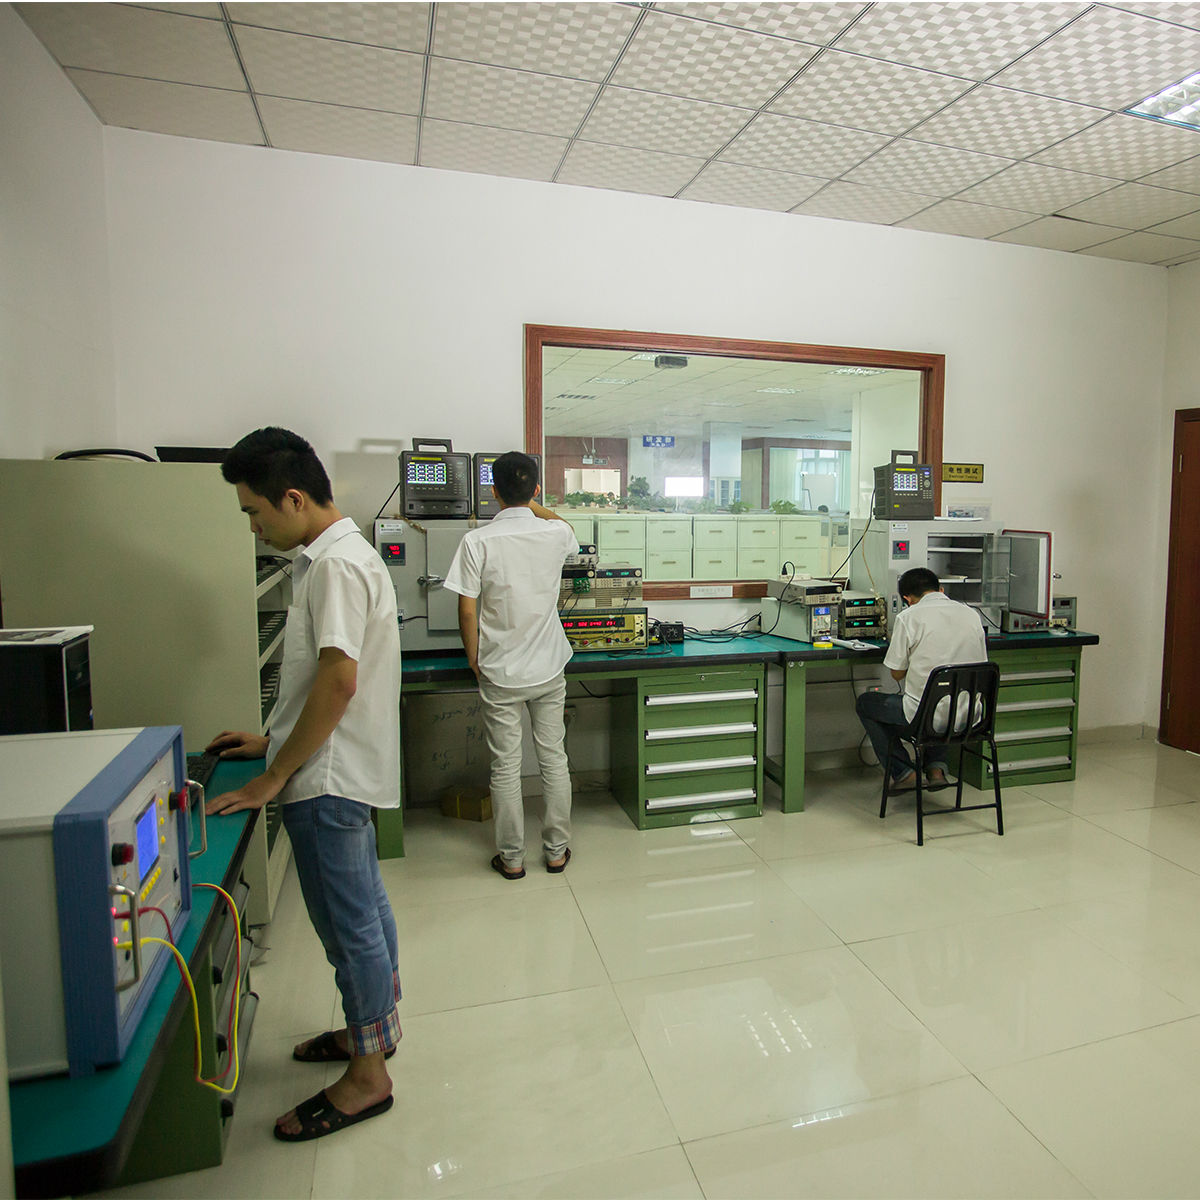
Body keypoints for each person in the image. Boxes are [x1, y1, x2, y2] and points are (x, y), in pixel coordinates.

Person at [204, 427, 401, 1143]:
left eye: (255, 512)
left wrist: (274, 775)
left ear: (293, 498)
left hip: (325, 782)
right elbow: (328, 680)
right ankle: (372, 1032)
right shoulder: (341, 556)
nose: (253, 528)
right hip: (337, 765)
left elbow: (340, 680)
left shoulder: (334, 568)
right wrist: (273, 739)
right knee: (367, 915)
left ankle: (368, 1076)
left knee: (350, 931)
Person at [443, 450, 577, 879]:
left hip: (499, 670)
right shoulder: (555, 534)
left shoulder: (477, 541)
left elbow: (467, 609)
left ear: (493, 492)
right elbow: (563, 524)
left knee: (505, 766)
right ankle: (556, 852)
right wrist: (533, 502)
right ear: (535, 489)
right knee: (553, 758)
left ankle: (512, 858)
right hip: (549, 667)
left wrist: (473, 657)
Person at [855, 566, 987, 790]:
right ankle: (936, 769)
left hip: (927, 719)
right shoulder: (971, 614)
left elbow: (896, 673)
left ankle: (904, 773)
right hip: (970, 718)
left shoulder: (909, 617)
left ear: (907, 599)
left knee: (867, 704)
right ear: (940, 589)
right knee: (941, 700)